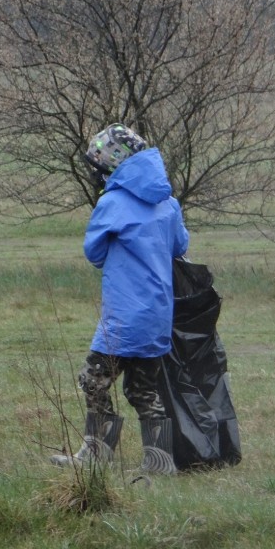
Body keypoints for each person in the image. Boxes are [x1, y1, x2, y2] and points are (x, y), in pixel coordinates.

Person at [50, 123, 190, 475]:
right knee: (144, 389)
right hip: (158, 312)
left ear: (110, 166)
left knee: (92, 379)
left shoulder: (112, 202)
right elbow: (180, 246)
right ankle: (160, 463)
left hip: (124, 316)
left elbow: (94, 253)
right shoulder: (168, 202)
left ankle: (96, 452)